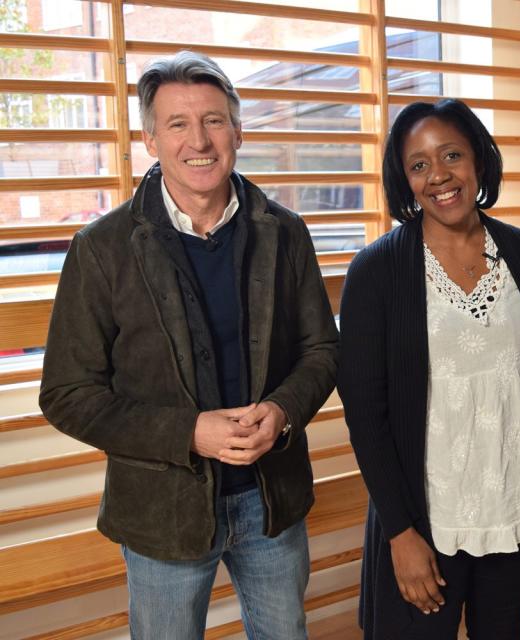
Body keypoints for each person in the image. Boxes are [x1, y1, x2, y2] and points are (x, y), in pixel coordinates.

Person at [39, 51, 339, 639]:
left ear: (238, 131)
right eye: (177, 123)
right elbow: (67, 394)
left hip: (271, 500)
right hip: (160, 512)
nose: (198, 140)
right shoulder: (101, 248)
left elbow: (322, 351)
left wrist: (281, 413)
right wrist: (188, 433)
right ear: (151, 138)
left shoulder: (286, 231)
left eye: (214, 120)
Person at [338, 98, 520, 640]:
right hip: (427, 524)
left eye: (452, 155)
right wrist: (400, 534)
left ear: (478, 161)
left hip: (511, 509)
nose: (439, 176)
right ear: (404, 180)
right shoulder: (376, 271)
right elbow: (366, 415)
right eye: (419, 165)